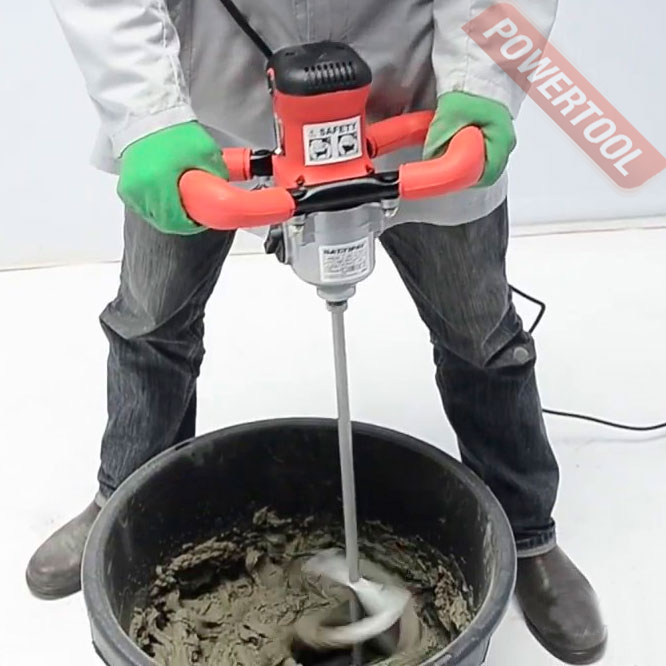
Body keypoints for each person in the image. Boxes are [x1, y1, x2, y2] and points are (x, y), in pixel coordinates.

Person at [28, 1, 606, 663]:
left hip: (412, 99)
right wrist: (149, 118)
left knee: (482, 336)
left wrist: (480, 82)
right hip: (207, 107)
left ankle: (526, 534)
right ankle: (122, 502)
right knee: (149, 320)